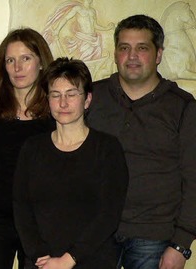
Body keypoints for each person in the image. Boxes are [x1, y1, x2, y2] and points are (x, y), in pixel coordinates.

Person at [86, 14, 196, 269]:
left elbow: (194, 179)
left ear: (158, 54)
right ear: (115, 54)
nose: (132, 56)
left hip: (154, 236)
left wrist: (181, 243)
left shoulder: (182, 107)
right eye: (124, 48)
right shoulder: (92, 98)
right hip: (95, 231)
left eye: (142, 48)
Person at [13, 57, 129, 269]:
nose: (63, 103)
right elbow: (21, 208)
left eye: (71, 94)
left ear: (87, 100)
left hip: (91, 260)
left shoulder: (107, 149)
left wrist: (68, 260)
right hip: (40, 262)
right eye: (55, 95)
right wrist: (40, 256)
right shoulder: (32, 148)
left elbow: (108, 215)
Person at [0, 27, 55, 269]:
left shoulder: (57, 115)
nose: (17, 67)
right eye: (10, 60)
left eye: (26, 58)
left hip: (41, 224)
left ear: (41, 63)